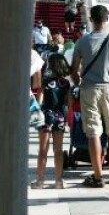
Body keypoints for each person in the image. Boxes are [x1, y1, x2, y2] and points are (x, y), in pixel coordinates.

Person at [70, 5, 109, 187]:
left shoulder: (82, 41)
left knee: (93, 132)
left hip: (89, 88)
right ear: (106, 19)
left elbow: (74, 69)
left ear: (91, 19)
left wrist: (79, 82)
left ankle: (97, 175)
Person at [32, 53, 72, 189]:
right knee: (58, 150)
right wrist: (67, 119)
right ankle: (58, 180)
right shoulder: (66, 83)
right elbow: (68, 103)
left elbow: (39, 101)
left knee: (43, 149)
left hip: (46, 117)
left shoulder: (45, 81)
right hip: (60, 116)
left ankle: (40, 181)